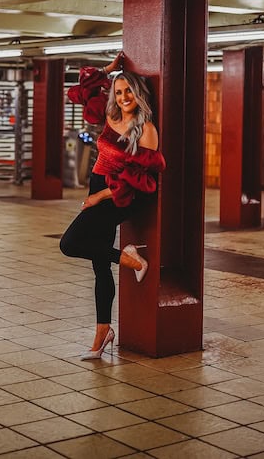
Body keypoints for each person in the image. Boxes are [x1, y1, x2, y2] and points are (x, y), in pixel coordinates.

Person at [59, 51, 166, 359]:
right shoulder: (111, 116)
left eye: (128, 91)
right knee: (99, 265)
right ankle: (103, 331)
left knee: (71, 243)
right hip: (99, 183)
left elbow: (139, 179)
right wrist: (110, 69)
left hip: (123, 194)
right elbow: (81, 90)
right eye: (118, 92)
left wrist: (99, 196)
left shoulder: (146, 130)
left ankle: (132, 259)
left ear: (138, 92)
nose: (122, 97)